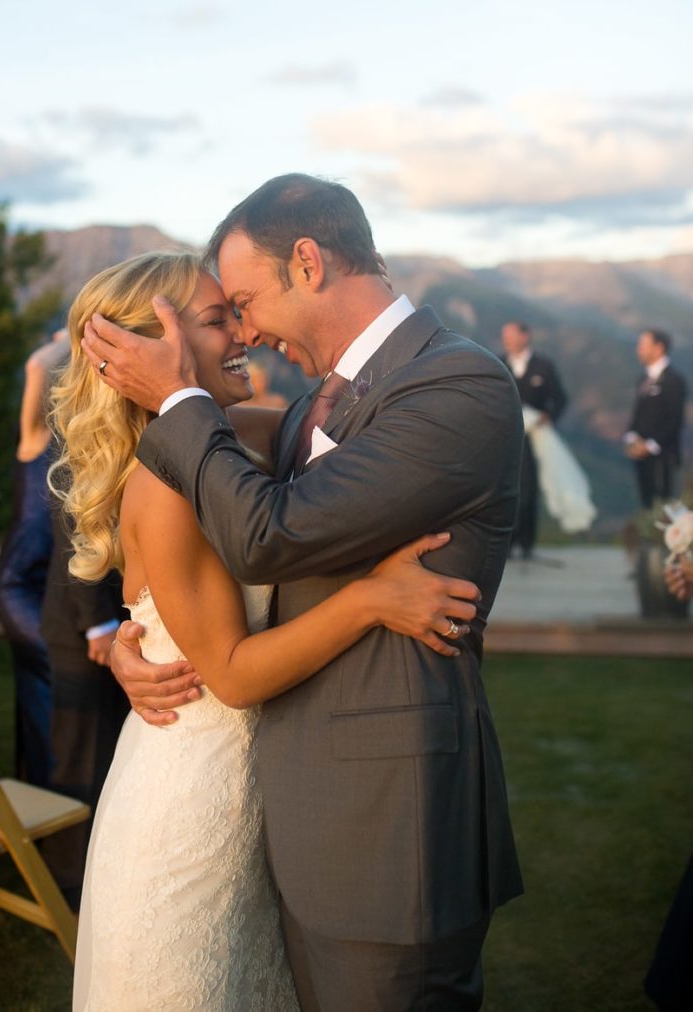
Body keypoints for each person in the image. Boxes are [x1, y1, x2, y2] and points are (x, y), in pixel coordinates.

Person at [86, 175, 524, 1012]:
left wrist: (176, 393)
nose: (244, 328)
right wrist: (119, 638)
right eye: (225, 316)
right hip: (282, 817)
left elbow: (266, 536)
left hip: (389, 831)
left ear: (310, 263)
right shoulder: (303, 411)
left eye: (242, 301)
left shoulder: (456, 386)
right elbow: (174, 484)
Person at [39, 492, 130, 909]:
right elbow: (76, 526)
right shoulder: (86, 438)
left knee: (108, 750)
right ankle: (70, 880)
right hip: (85, 628)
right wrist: (98, 622)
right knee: (81, 752)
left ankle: (98, 863)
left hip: (116, 618)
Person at [0, 333, 69, 786]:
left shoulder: (77, 434)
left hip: (51, 587)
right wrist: (72, 333)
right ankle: (50, 795)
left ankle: (43, 796)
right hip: (19, 586)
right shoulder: (36, 437)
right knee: (54, 678)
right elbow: (38, 366)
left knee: (42, 694)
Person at [501, 321, 568, 557]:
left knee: (529, 490)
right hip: (506, 439)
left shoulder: (544, 366)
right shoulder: (498, 363)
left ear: (525, 336)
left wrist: (548, 417)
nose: (506, 340)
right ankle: (506, 544)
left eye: (510, 335)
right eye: (504, 336)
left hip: (535, 439)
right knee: (503, 489)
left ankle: (527, 544)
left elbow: (560, 399)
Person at [625, 330, 687, 508]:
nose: (639, 350)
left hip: (663, 458)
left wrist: (650, 445)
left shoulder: (674, 381)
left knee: (663, 508)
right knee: (647, 507)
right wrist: (631, 438)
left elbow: (675, 420)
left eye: (643, 346)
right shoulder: (642, 379)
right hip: (641, 458)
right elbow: (638, 413)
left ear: (659, 348)